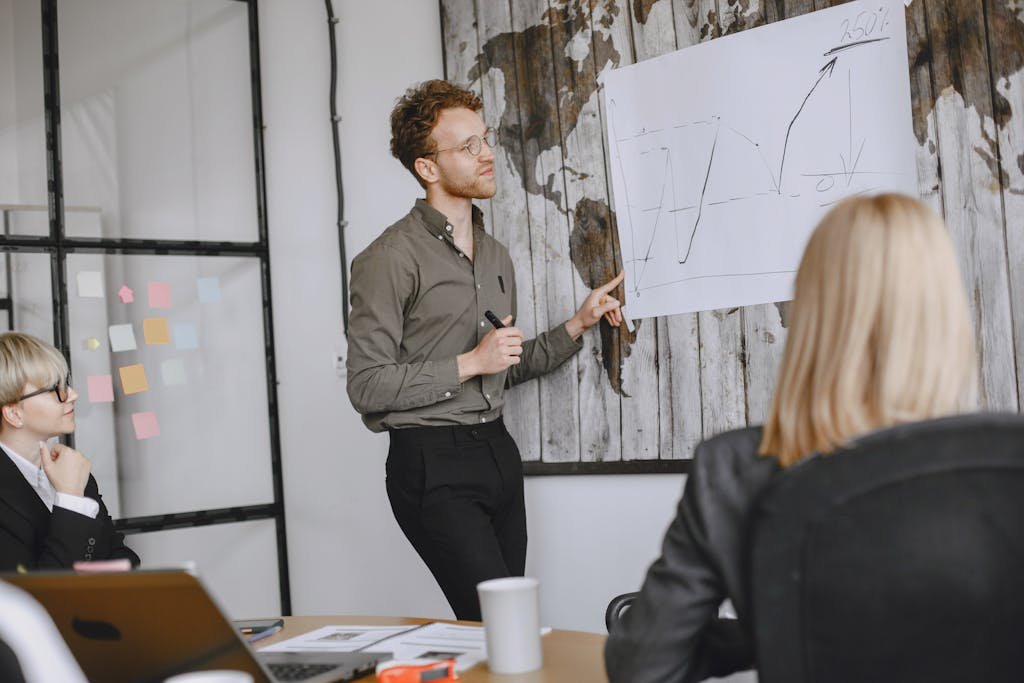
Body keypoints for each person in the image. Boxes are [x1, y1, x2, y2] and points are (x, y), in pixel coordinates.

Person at [604, 193, 977, 682]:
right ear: (947, 316)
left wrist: (767, 633)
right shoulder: (1003, 468)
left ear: (809, 311)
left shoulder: (736, 471)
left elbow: (642, 666)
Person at [346, 79, 624, 621]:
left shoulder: (495, 254)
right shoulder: (388, 259)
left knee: (499, 628)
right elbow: (366, 386)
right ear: (427, 167)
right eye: (468, 145)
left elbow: (503, 367)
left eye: (485, 138)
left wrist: (579, 323)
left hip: (497, 451)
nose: (487, 153)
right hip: (431, 463)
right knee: (500, 623)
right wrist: (472, 361)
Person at [0, 332, 139, 571]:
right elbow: (39, 587)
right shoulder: (70, 479)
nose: (72, 395)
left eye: (66, 382)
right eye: (55, 388)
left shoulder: (71, 469)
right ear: (14, 414)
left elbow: (124, 558)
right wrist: (70, 499)